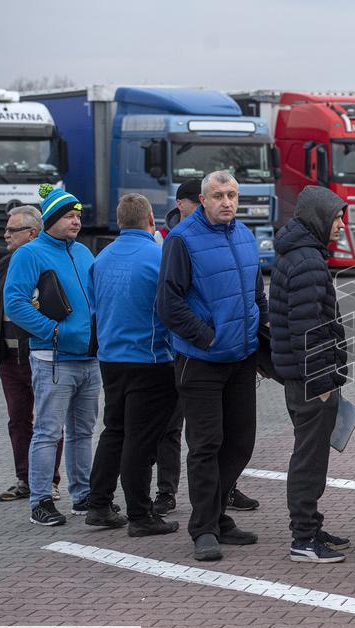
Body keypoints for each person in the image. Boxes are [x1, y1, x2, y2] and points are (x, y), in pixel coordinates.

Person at [157, 170, 268, 561]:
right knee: (206, 445)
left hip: (242, 358)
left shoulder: (245, 236)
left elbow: (256, 295)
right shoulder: (182, 240)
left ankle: (219, 516)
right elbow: (169, 304)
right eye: (219, 195)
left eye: (232, 195)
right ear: (202, 200)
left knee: (240, 442)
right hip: (200, 360)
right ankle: (203, 529)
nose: (227, 202)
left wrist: (260, 337)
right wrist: (207, 337)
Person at [84, 193, 180, 536]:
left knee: (115, 431)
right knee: (141, 440)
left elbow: (94, 308)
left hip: (111, 359)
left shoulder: (101, 258)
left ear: (119, 221)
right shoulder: (158, 257)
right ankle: (140, 515)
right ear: (151, 219)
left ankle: (98, 503)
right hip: (150, 359)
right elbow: (170, 310)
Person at [4, 185, 100, 526]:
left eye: (78, 216)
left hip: (89, 360)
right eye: (69, 216)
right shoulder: (29, 254)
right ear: (51, 219)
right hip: (53, 360)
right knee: (48, 432)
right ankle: (41, 500)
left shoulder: (84, 253)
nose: (76, 222)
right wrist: (54, 332)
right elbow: (15, 303)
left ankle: (83, 495)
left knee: (82, 432)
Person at [269, 185, 350, 564]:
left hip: (301, 378)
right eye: (336, 217)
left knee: (310, 455)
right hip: (310, 381)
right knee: (309, 460)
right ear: (319, 217)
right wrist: (321, 383)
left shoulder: (300, 254)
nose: (341, 225)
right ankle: (303, 538)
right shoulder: (308, 262)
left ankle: (311, 526)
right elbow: (308, 329)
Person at [0, 205, 63, 502]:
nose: (6, 234)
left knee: (48, 421)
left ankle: (49, 482)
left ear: (32, 233)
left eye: (12, 230)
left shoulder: (46, 263)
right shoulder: (3, 265)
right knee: (18, 420)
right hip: (9, 360)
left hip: (39, 356)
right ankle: (25, 479)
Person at [152, 178, 199, 514]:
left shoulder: (217, 235)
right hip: (170, 350)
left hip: (202, 348)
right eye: (196, 202)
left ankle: (227, 488)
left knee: (210, 427)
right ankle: (165, 492)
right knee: (169, 426)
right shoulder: (162, 240)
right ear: (180, 204)